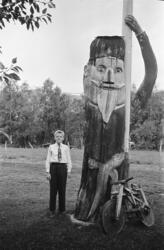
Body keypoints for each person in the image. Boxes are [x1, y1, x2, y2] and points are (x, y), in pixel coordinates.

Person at [45, 130, 72, 217]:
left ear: (63, 138)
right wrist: (48, 172)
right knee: (53, 190)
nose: (59, 138)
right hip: (53, 168)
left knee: (62, 189)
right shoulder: (51, 147)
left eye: (60, 137)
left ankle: (62, 210)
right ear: (54, 138)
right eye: (57, 136)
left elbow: (69, 160)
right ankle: (52, 210)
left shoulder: (66, 148)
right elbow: (48, 160)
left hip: (63, 168)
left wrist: (69, 171)